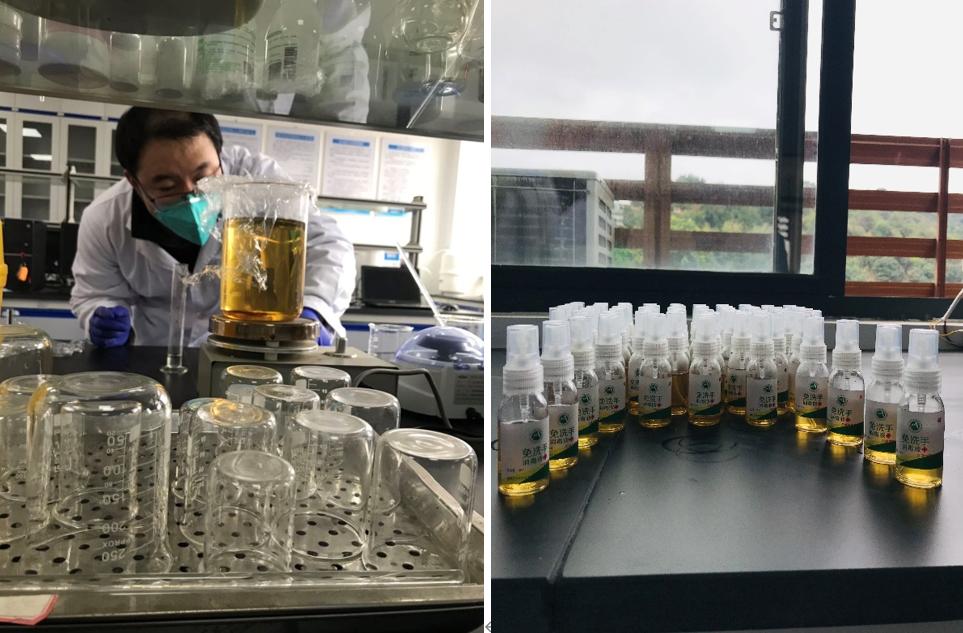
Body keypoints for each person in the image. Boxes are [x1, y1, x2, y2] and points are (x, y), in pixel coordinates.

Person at [70, 107, 355, 347]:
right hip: (159, 356)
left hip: (248, 351)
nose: (192, 197)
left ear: (219, 155)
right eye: (167, 186)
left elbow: (326, 244)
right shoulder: (105, 219)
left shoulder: (257, 179)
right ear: (133, 180)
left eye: (203, 177)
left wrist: (315, 308)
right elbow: (96, 292)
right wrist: (102, 317)